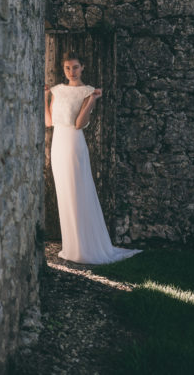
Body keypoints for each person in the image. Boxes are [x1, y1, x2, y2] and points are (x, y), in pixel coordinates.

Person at [44, 51, 142, 264]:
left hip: (73, 144)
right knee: (65, 195)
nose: (71, 72)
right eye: (67, 68)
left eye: (75, 67)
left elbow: (79, 124)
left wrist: (91, 101)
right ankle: (71, 247)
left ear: (83, 67)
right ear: (63, 69)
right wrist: (45, 98)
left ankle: (86, 248)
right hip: (58, 145)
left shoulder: (89, 91)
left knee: (78, 192)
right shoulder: (57, 91)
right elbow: (49, 122)